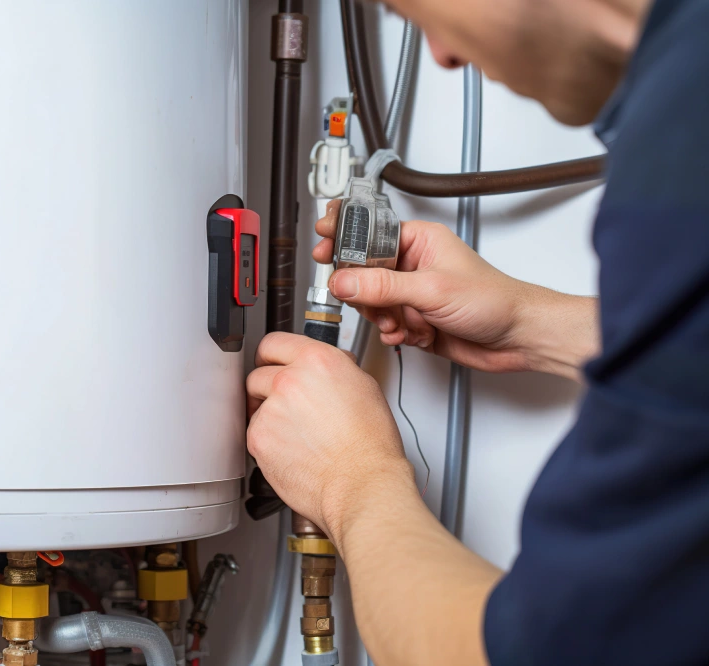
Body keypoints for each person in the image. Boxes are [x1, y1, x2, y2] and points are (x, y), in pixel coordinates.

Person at [245, 0, 709, 663]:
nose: (443, 55)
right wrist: (529, 322)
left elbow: (536, 652)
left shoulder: (683, 146)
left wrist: (351, 480)